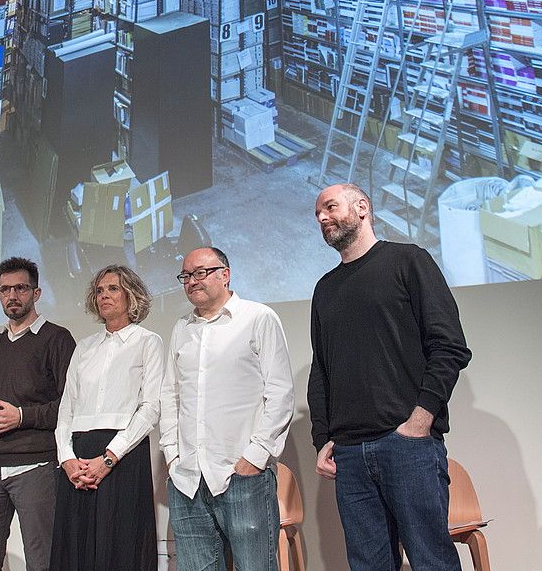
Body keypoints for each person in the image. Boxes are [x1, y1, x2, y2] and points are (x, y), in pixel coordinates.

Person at [309, 183, 472, 571]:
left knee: (431, 561)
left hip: (407, 445)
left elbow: (449, 346)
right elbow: (322, 371)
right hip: (348, 453)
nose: (322, 218)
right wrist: (323, 438)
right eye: (317, 214)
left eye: (330, 207)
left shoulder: (408, 261)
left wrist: (420, 421)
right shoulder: (325, 288)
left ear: (362, 207)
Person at [160, 246, 294, 571]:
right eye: (186, 276)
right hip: (188, 479)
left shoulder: (258, 317)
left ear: (225, 274)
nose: (192, 281)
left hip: (241, 474)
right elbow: (170, 395)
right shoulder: (182, 328)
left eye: (200, 272)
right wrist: (172, 456)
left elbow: (280, 392)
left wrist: (255, 457)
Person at [0, 257, 76, 571]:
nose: (13, 296)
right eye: (5, 289)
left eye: (21, 288)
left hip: (36, 466)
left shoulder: (58, 339)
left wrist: (21, 417)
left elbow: (71, 407)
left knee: (43, 561)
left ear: (36, 293)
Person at [50, 265, 163, 571]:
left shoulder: (148, 342)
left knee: (120, 547)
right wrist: (67, 459)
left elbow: (150, 407)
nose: (104, 296)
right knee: (76, 547)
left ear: (131, 295)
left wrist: (110, 457)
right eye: (99, 290)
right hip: (78, 456)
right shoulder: (84, 347)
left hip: (123, 454)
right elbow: (66, 410)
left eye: (113, 288)